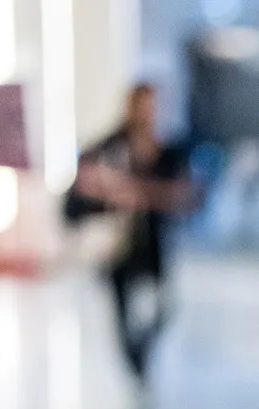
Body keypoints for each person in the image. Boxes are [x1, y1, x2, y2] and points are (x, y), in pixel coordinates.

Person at [67, 83, 194, 380]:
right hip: (118, 247)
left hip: (153, 242)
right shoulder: (108, 148)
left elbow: (183, 195)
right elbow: (83, 190)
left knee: (164, 305)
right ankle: (134, 363)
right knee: (122, 314)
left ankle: (142, 350)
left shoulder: (167, 151)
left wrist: (130, 191)